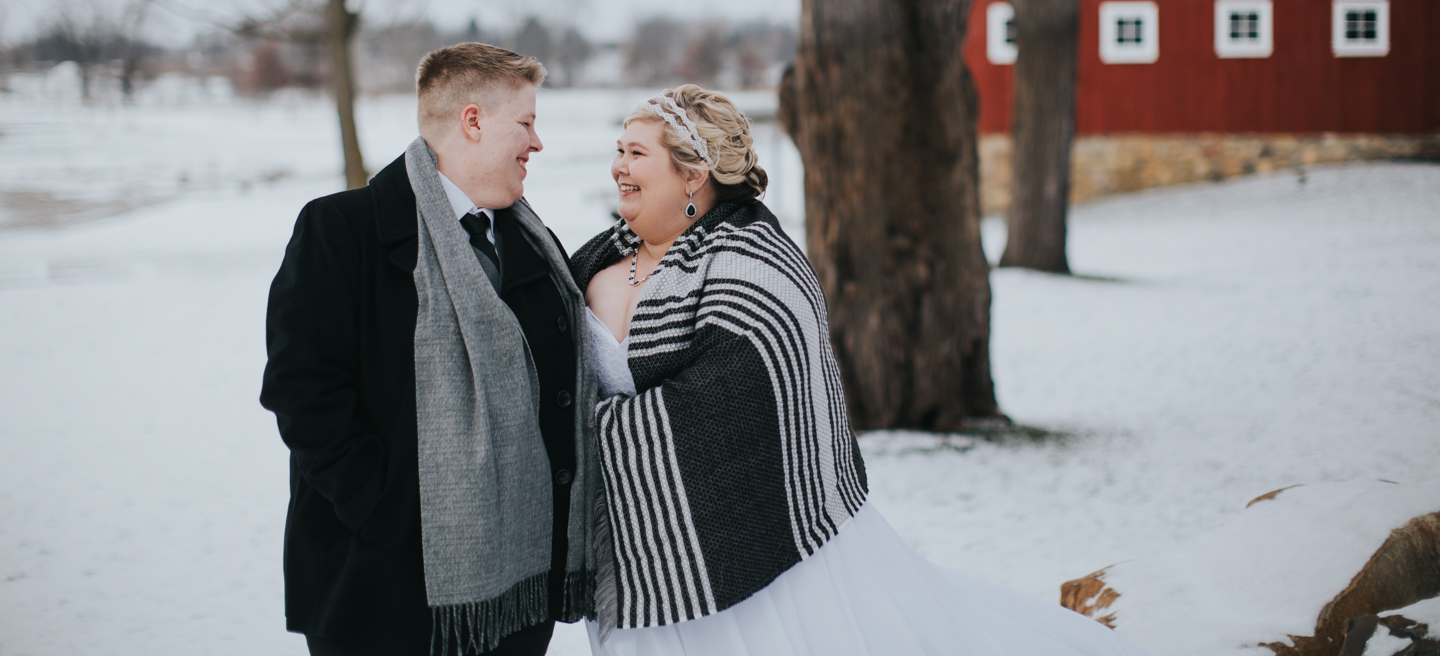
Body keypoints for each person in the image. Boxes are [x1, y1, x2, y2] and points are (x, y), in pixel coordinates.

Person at [570, 85, 1149, 656]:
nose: (619, 166)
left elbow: (728, 401)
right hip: (632, 551)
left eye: (637, 154)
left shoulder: (757, 264)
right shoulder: (595, 257)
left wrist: (585, 433)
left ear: (693, 174)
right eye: (620, 150)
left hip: (755, 538)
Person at [261, 43, 600, 656]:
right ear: (473, 121)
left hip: (514, 599)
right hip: (379, 591)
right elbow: (301, 388)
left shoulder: (532, 242)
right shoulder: (343, 231)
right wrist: (380, 505)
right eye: (525, 122)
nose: (537, 142)